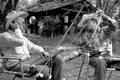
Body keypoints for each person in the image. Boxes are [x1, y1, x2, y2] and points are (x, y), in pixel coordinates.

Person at [0, 11, 65, 80]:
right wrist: (17, 29)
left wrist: (41, 51)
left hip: (29, 62)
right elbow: (20, 42)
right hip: (17, 66)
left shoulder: (21, 37)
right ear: (13, 23)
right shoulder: (4, 36)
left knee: (58, 59)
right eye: (22, 23)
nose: (24, 25)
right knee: (44, 70)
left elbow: (33, 47)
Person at [78, 11, 119, 80]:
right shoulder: (84, 36)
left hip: (106, 57)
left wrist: (104, 17)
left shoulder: (104, 30)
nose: (86, 25)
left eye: (87, 22)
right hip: (92, 58)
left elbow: (114, 26)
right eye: (85, 23)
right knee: (101, 62)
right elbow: (86, 52)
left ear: (95, 22)